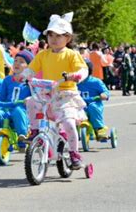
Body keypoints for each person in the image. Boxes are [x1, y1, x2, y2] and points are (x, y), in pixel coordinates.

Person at [21, 12, 88, 170]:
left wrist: (77, 75)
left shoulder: (72, 55)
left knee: (69, 124)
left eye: (58, 36)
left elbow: (83, 69)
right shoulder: (43, 55)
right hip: (46, 93)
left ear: (68, 38)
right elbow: (31, 69)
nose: (54, 39)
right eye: (51, 35)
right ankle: (35, 130)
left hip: (66, 95)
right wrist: (23, 76)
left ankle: (74, 153)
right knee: (30, 102)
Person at [0, 50, 33, 155]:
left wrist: (30, 99)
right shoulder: (8, 80)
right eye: (15, 60)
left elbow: (36, 95)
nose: (17, 63)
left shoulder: (30, 81)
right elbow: (0, 96)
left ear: (28, 67)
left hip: (23, 112)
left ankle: (23, 137)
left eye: (21, 61)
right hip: (6, 110)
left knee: (18, 110)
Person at [78, 60, 110, 139]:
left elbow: (105, 92)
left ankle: (99, 128)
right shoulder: (75, 83)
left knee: (93, 107)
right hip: (80, 104)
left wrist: (104, 95)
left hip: (94, 102)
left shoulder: (96, 82)